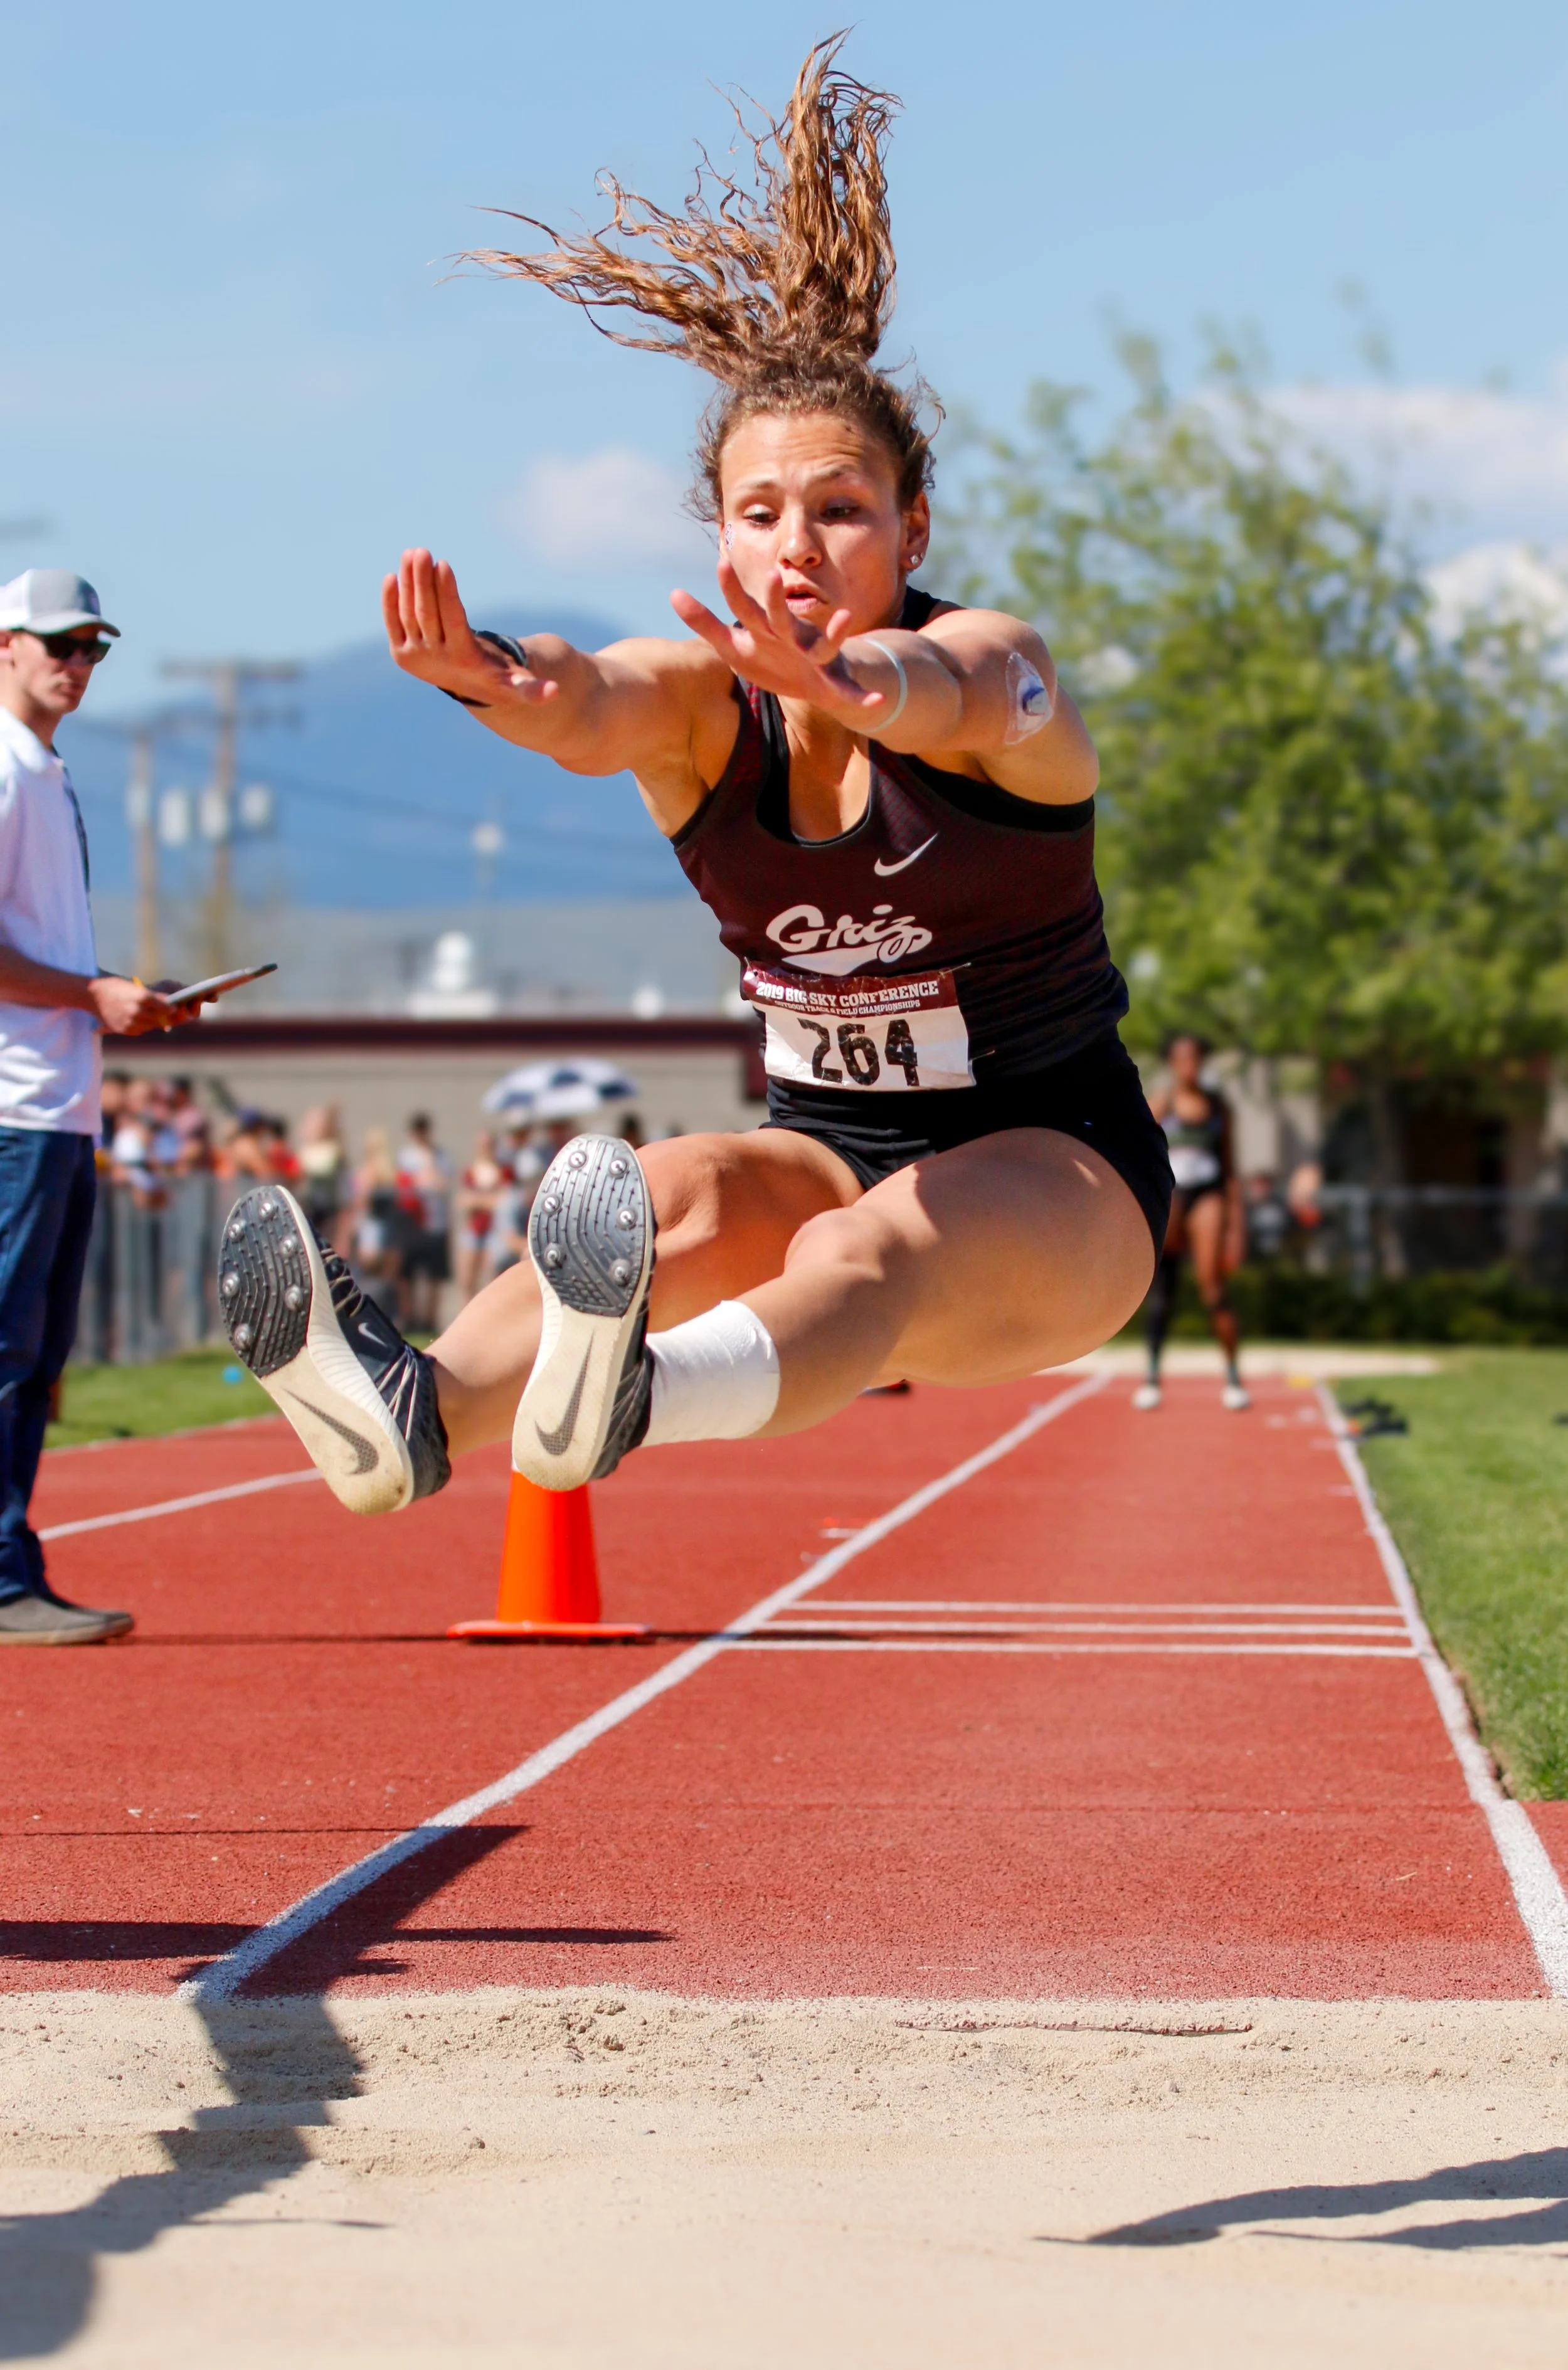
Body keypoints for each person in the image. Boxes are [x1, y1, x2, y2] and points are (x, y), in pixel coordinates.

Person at [215, 43, 1170, 1517]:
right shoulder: (705, 710)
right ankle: (418, 1411)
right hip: (818, 1141)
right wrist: (509, 685)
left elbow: (976, 686)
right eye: (760, 512)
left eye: (842, 511)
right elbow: (596, 696)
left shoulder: (987, 666)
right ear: (718, 540)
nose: (798, 547)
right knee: (665, 1194)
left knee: (870, 1253)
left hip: (1056, 1171)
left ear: (913, 529)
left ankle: (638, 1390)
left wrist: (860, 683)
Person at [0, 569, 196, 1641]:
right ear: (5, 645)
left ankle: (10, 1565)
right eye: (60, 643)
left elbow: (43, 949)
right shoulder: (4, 770)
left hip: (58, 1103)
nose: (77, 664)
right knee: (8, 1347)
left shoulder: (45, 770)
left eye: (94, 648)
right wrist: (86, 993)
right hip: (16, 1107)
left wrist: (121, 995)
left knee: (36, 1353)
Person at [1135, 1032, 1248, 1412]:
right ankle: (1152, 1376)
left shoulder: (1218, 1107)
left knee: (1212, 1285)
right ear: (1172, 1063)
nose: (1189, 1065)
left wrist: (1236, 1227)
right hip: (1174, 1196)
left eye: (1195, 1058)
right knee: (1164, 1289)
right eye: (1182, 1059)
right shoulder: (1162, 1103)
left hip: (1208, 1194)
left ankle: (1232, 1375)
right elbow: (1140, 1153)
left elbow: (1231, 1168)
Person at [395, 1112, 453, 1331]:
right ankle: (410, 1318)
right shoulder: (405, 1157)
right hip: (412, 1224)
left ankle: (430, 1321)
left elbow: (441, 1185)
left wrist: (428, 1164)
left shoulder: (441, 1156)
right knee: (407, 1276)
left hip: (435, 1224)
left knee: (435, 1276)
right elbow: (406, 1186)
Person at [455, 1129, 507, 1302]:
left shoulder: (503, 1171)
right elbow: (463, 1201)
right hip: (474, 1230)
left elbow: (504, 1201)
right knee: (468, 1282)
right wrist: (488, 1201)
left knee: (492, 1280)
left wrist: (478, 1200)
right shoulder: (470, 1172)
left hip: (495, 1230)